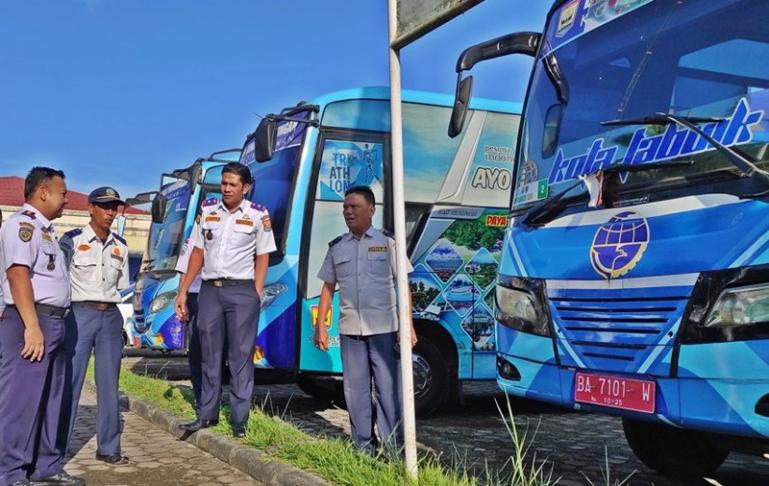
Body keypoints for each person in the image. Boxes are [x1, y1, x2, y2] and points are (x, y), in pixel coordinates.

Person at [174, 162, 276, 438]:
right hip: (210, 291)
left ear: (246, 188)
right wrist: (183, 291)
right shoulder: (208, 210)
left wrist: (256, 292)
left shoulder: (258, 214)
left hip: (242, 291)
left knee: (240, 356)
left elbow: (263, 256)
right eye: (224, 183)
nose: (226, 189)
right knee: (209, 353)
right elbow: (197, 252)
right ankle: (207, 414)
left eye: (233, 184)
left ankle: (239, 420)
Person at [313, 185, 416, 456]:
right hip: (351, 331)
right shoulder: (337, 247)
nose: (348, 211)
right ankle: (364, 448)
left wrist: (409, 325)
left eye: (354, 206)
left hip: (384, 329)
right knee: (355, 392)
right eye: (345, 207)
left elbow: (403, 285)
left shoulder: (389, 243)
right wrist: (321, 326)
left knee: (388, 391)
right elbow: (328, 288)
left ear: (371, 209)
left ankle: (394, 450)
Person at [0, 167, 84, 486]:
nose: (66, 199)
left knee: (52, 398)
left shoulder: (46, 230)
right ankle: (10, 472)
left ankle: (46, 466)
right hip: (30, 321)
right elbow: (17, 275)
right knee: (21, 399)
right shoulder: (22, 225)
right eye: (62, 193)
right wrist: (32, 326)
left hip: (55, 320)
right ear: (43, 192)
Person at [57, 187, 130, 465]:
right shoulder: (72, 240)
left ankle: (109, 448)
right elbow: (60, 280)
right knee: (71, 381)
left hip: (109, 316)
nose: (110, 212)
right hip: (80, 314)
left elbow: (121, 285)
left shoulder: (120, 245)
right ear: (91, 208)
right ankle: (57, 449)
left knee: (109, 384)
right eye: (105, 206)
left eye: (114, 207)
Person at [174, 231, 203, 417]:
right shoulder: (194, 237)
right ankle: (201, 400)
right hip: (195, 295)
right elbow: (184, 270)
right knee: (196, 351)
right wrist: (181, 297)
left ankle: (214, 398)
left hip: (219, 295)